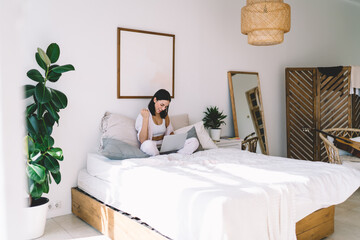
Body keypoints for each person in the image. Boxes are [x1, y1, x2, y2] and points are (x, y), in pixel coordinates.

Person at [135, 89, 199, 156]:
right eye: (162, 105)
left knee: (194, 141)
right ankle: (159, 157)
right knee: (148, 144)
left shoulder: (165, 115)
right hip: (151, 148)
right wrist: (145, 118)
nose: (163, 109)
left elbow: (170, 133)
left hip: (165, 149)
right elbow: (143, 140)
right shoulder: (144, 114)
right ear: (155, 100)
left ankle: (177, 156)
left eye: (165, 106)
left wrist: (175, 142)